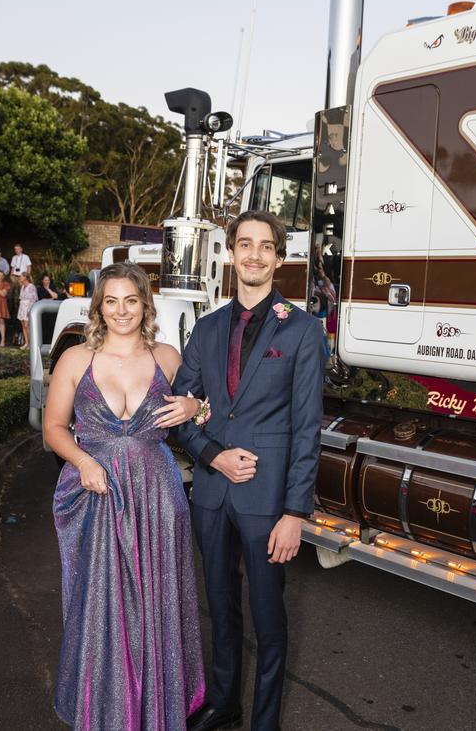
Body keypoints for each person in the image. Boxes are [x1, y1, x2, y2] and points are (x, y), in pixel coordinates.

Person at [175, 210, 325, 731]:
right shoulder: (208, 328)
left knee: (268, 617)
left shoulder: (304, 330)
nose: (254, 254)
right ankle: (223, 701)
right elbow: (180, 409)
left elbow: (308, 428)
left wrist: (294, 512)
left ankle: (264, 721)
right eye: (245, 244)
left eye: (266, 246)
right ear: (231, 254)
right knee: (220, 606)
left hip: (268, 501)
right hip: (212, 493)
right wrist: (212, 454)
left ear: (279, 258)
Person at [44, 262, 205, 730]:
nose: (121, 310)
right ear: (99, 306)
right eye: (110, 301)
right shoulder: (77, 359)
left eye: (130, 300)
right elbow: (53, 428)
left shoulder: (168, 358)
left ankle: (156, 709)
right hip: (97, 493)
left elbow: (202, 413)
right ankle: (104, 709)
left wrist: (196, 406)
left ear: (145, 305)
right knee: (101, 604)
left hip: (157, 495)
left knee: (157, 602)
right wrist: (84, 461)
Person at [16, 273, 37, 349]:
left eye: (21, 276)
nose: (20, 278)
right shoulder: (22, 287)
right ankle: (26, 343)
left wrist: (29, 310)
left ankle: (31, 344)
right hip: (22, 307)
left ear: (25, 277)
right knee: (23, 326)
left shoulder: (31, 286)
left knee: (27, 325)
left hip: (28, 306)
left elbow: (33, 299)